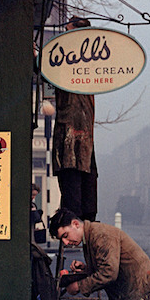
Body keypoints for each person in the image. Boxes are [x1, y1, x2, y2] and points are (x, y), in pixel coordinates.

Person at [51, 16, 97, 221]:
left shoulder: (77, 58)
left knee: (80, 177)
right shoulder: (66, 58)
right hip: (76, 134)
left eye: (68, 30)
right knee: (77, 176)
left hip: (79, 135)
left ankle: (78, 219)